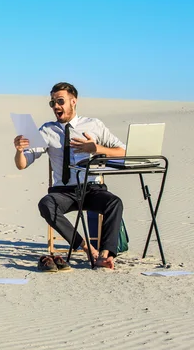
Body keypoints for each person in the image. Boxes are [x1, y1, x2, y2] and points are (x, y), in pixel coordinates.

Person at [13, 82, 126, 270]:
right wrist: (19, 151)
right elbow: (22, 164)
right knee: (46, 204)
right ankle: (87, 247)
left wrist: (96, 149)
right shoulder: (46, 130)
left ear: (73, 101)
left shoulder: (94, 125)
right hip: (63, 192)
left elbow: (123, 151)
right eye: (52, 103)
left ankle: (105, 255)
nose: (56, 106)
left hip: (91, 188)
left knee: (114, 202)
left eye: (60, 101)